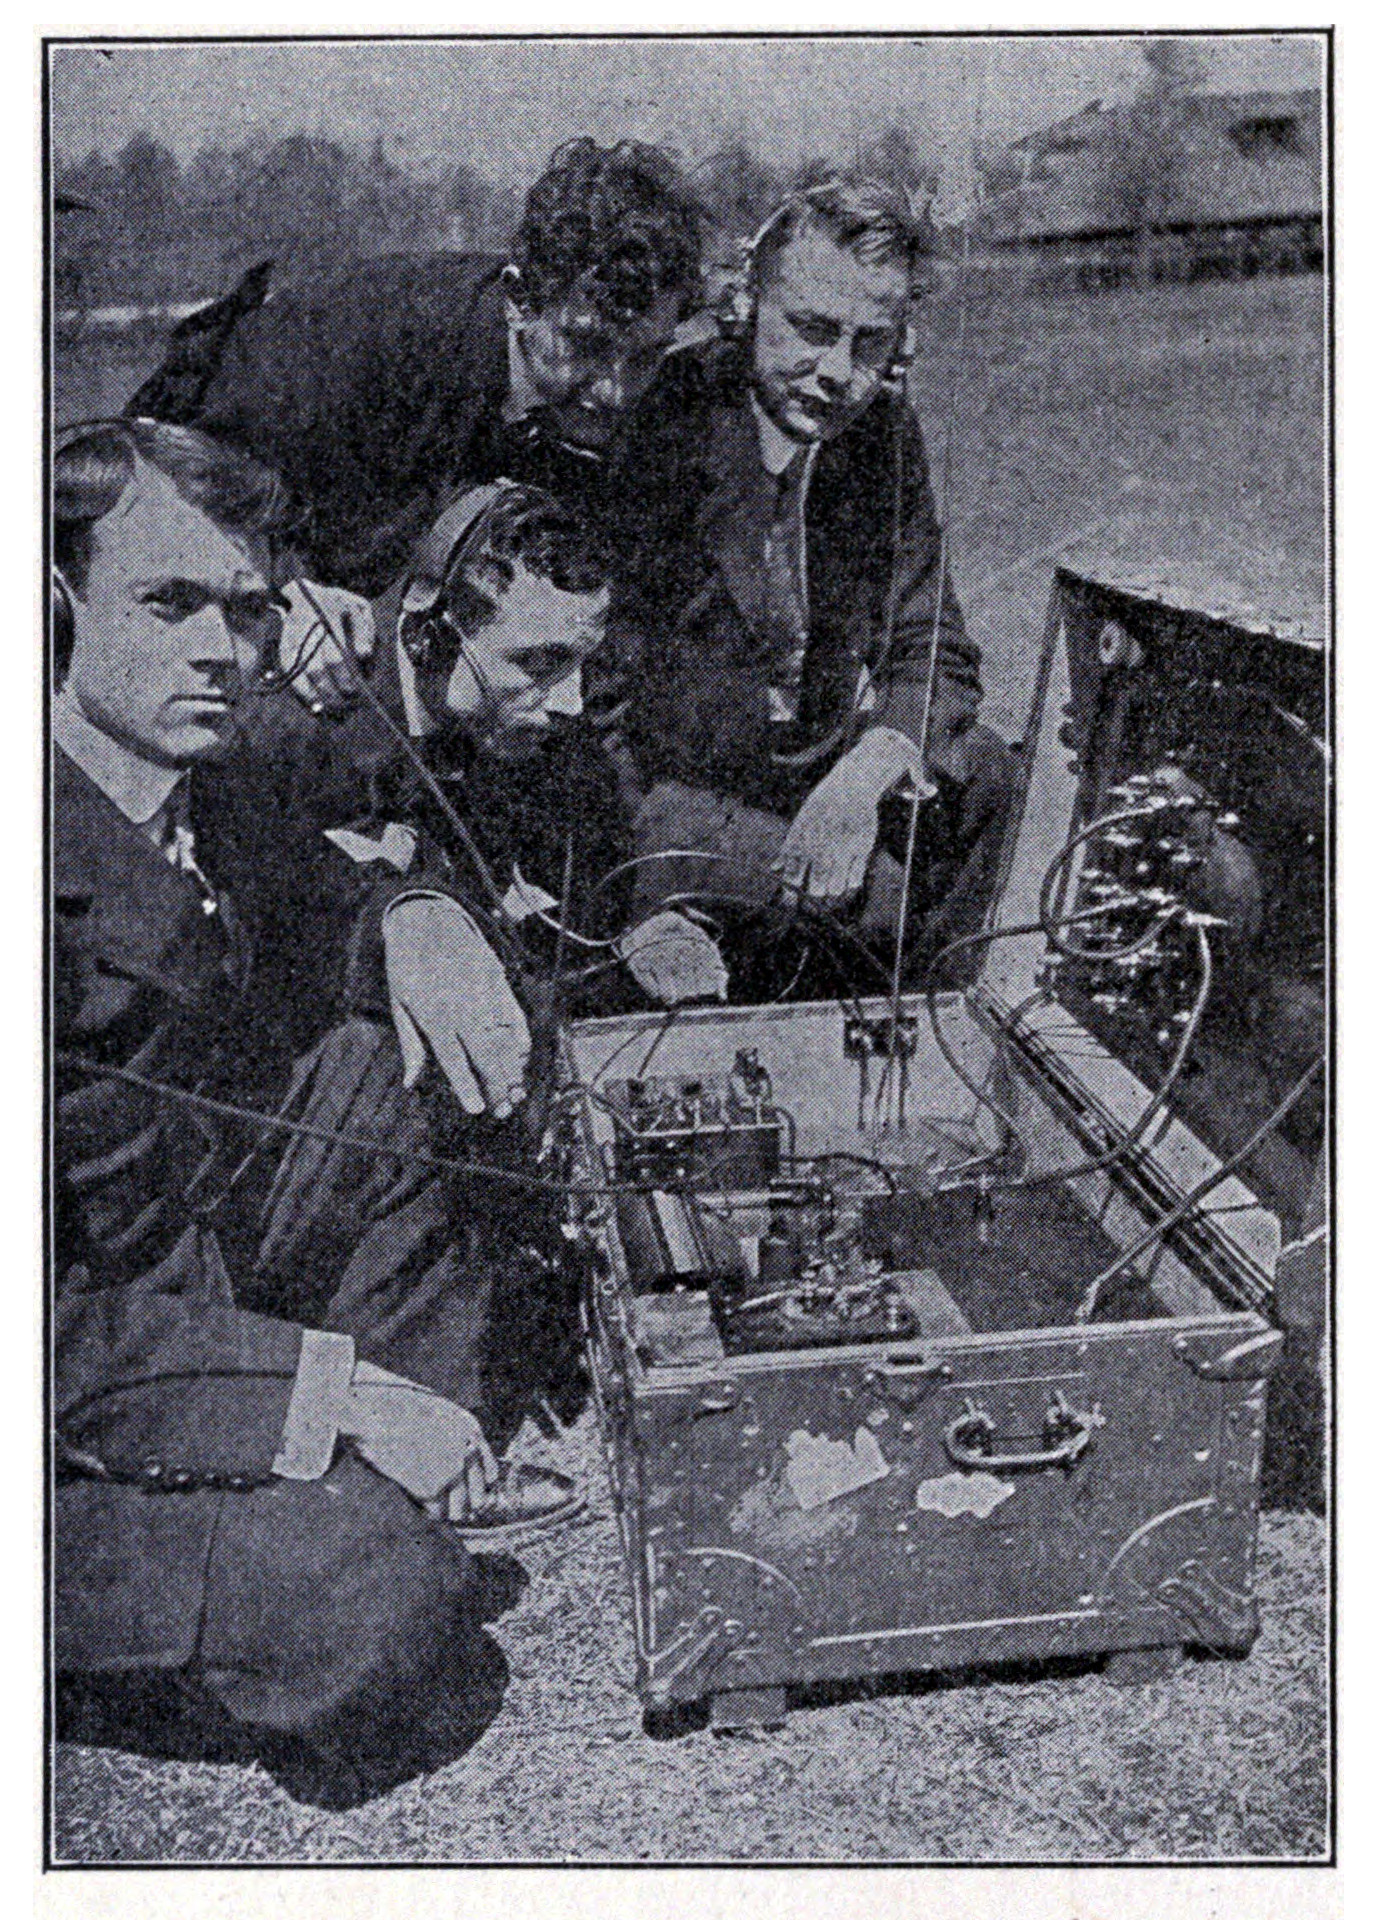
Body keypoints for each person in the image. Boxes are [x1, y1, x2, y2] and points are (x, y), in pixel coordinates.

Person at [50, 418, 565, 1788]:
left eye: (244, 608)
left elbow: (320, 892)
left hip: (180, 1287)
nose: (219, 649)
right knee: (376, 1601)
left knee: (393, 1062)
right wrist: (323, 1395)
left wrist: (412, 918)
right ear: (52, 606)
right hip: (60, 1387)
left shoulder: (205, 779)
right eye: (168, 603)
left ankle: (370, 1471)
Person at [243, 478, 728, 1442]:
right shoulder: (301, 733)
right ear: (427, 633)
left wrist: (641, 924)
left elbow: (597, 849)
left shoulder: (537, 726)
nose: (569, 701)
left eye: (581, 662)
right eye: (538, 663)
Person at [607, 174, 1015, 993]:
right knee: (885, 904)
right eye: (812, 330)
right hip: (663, 800)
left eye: (869, 343)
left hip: (811, 775)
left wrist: (872, 764)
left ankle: (915, 1026)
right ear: (746, 302)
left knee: (989, 774)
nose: (837, 373)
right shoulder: (657, 420)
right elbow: (596, 708)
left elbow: (932, 642)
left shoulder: (881, 433)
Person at [129, 138, 706, 603]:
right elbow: (176, 475)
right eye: (586, 345)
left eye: (644, 356)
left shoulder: (593, 393)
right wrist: (288, 593)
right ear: (519, 300)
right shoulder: (380, 338)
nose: (615, 391)